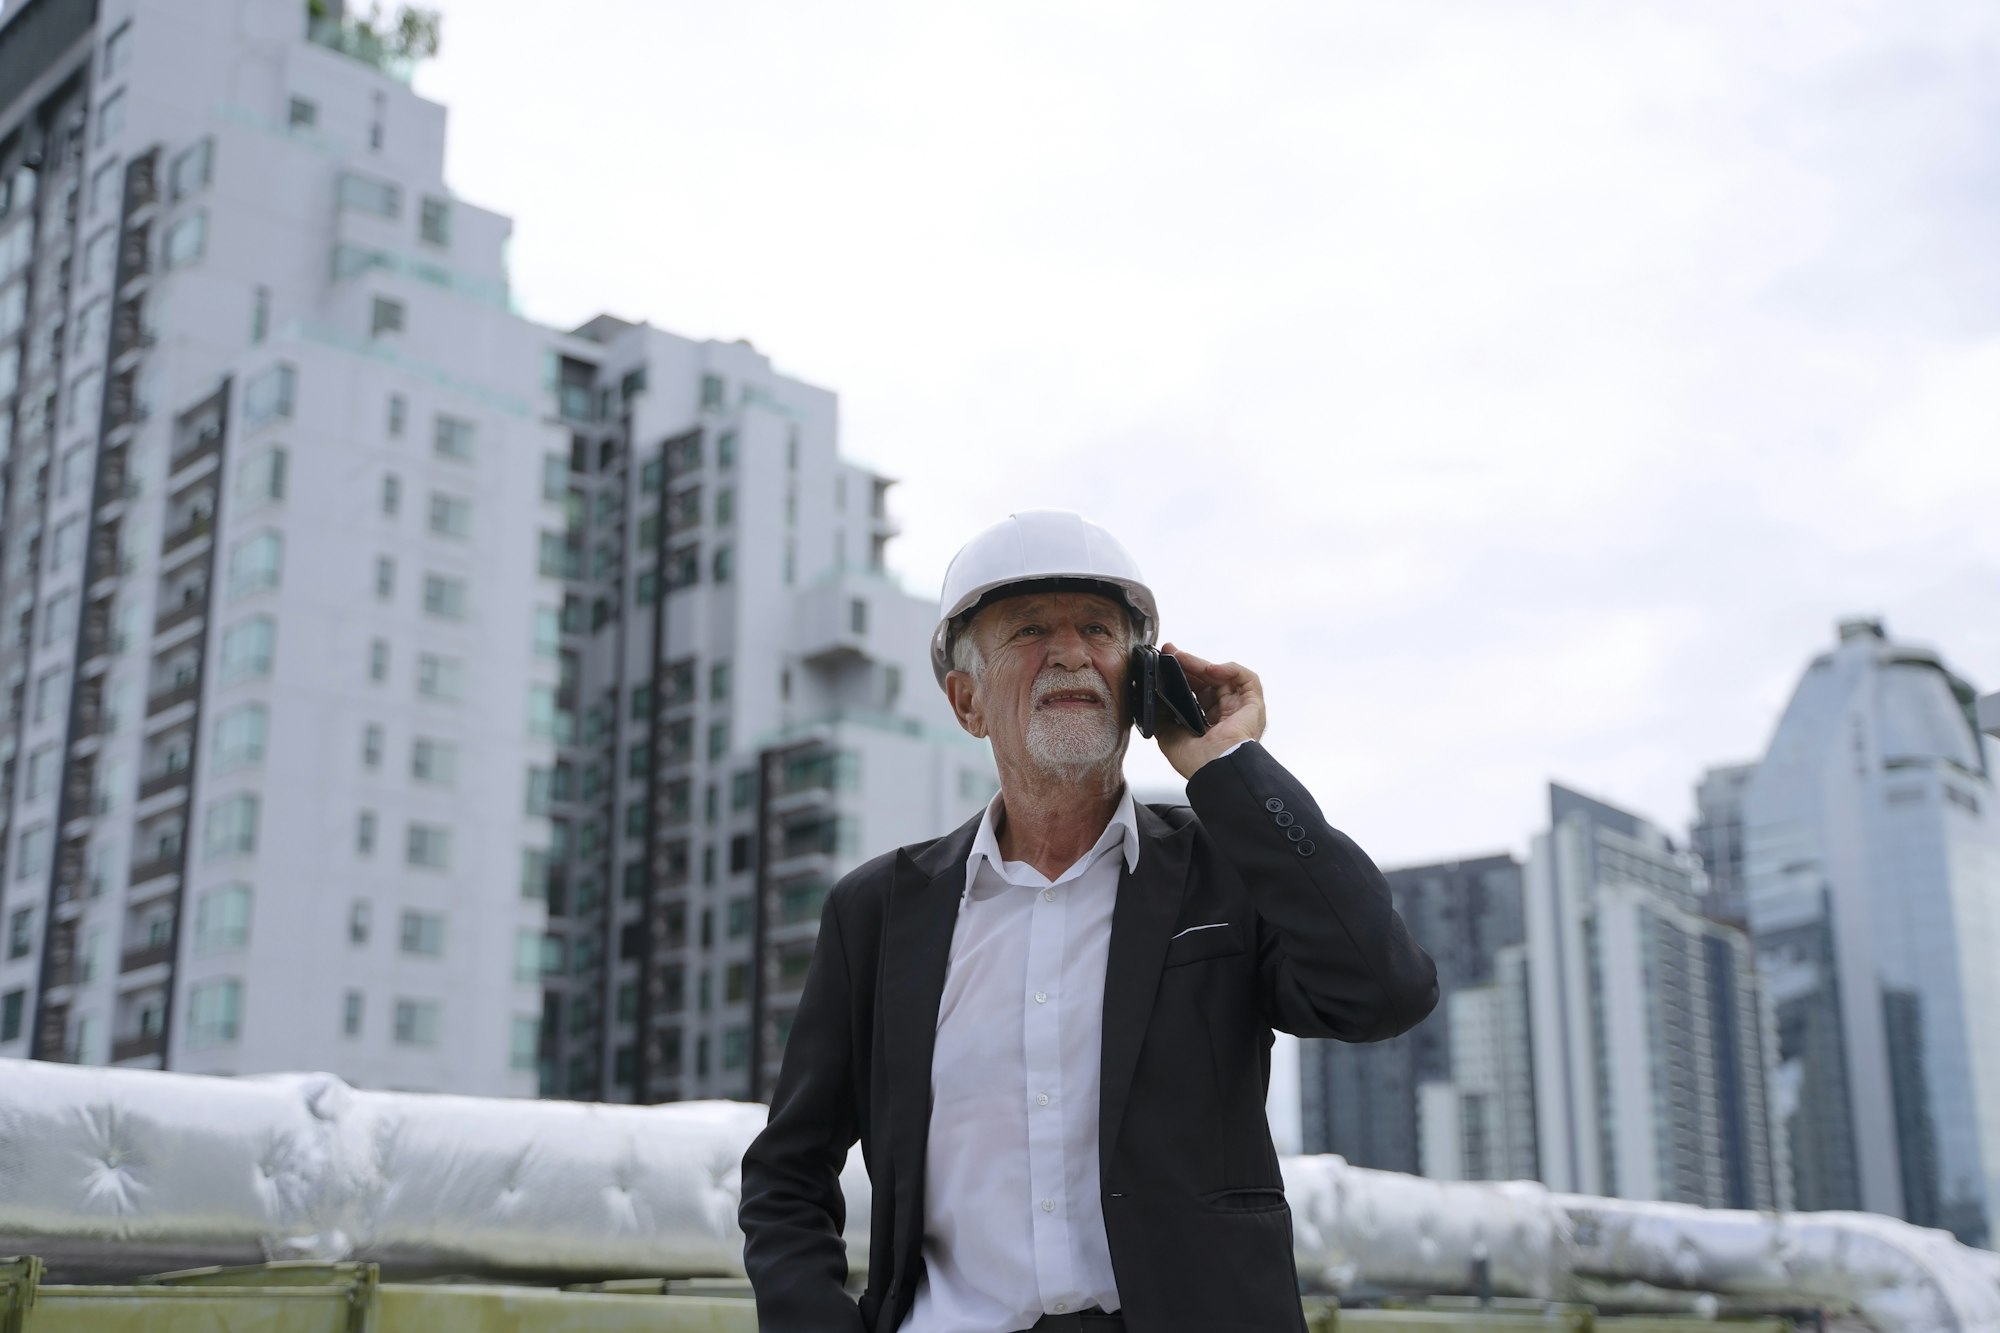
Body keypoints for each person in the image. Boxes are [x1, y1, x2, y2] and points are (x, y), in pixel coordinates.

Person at [739, 510, 1439, 1333]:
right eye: (1030, 630)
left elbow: (1384, 991)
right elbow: (787, 1173)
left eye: (1098, 630)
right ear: (967, 700)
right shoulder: (880, 913)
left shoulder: (1224, 872)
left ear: (1138, 679)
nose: (1070, 651)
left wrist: (1234, 768)